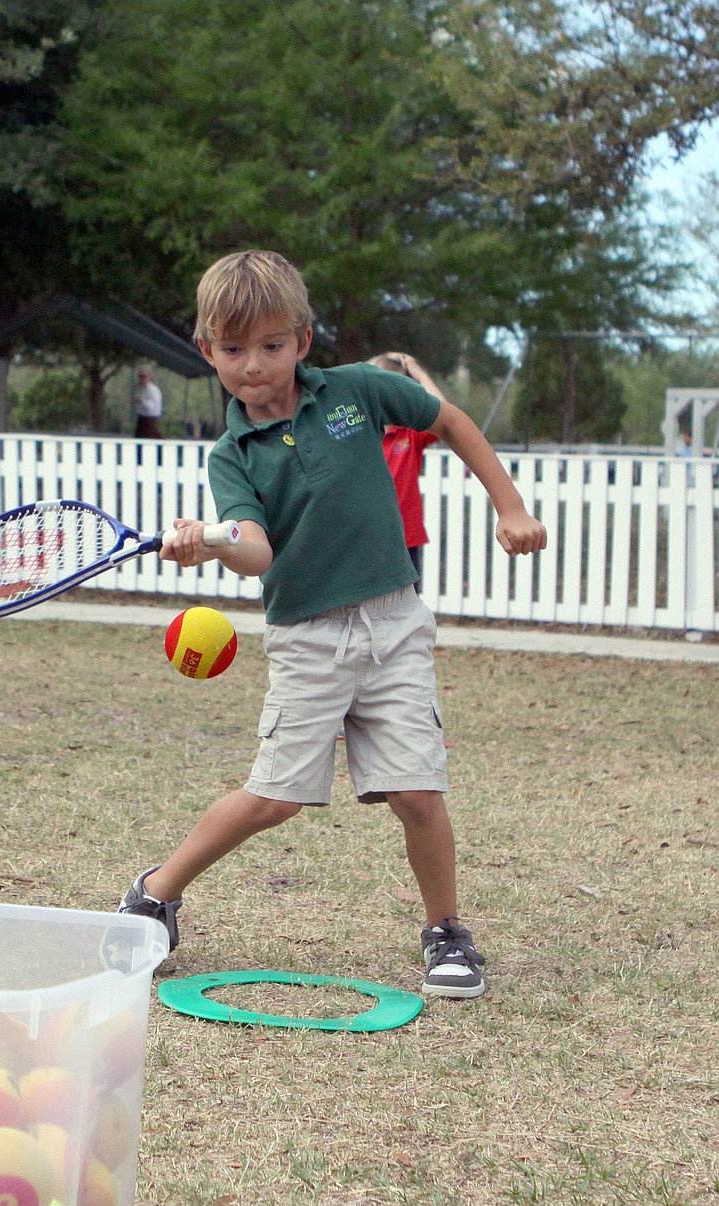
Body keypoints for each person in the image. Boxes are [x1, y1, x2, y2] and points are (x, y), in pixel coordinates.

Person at [118, 250, 547, 999]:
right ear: (205, 349)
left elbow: (448, 419)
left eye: (272, 345)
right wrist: (209, 539)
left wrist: (508, 505)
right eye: (233, 349)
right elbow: (255, 553)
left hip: (394, 622)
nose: (254, 365)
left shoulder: (356, 391)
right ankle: (155, 891)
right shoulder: (233, 454)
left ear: (304, 340)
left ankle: (446, 929)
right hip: (308, 637)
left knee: (419, 789)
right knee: (274, 799)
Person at [369, 352, 442, 592]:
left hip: (405, 539)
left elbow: (444, 413)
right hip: (366, 538)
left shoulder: (411, 432)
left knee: (406, 611)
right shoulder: (358, 432)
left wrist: (417, 371)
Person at [133, 367, 163, 438]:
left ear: (150, 377)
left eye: (144, 376)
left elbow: (152, 406)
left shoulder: (153, 390)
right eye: (140, 376)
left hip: (149, 421)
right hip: (143, 419)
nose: (142, 378)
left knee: (148, 442)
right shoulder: (145, 389)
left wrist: (142, 401)